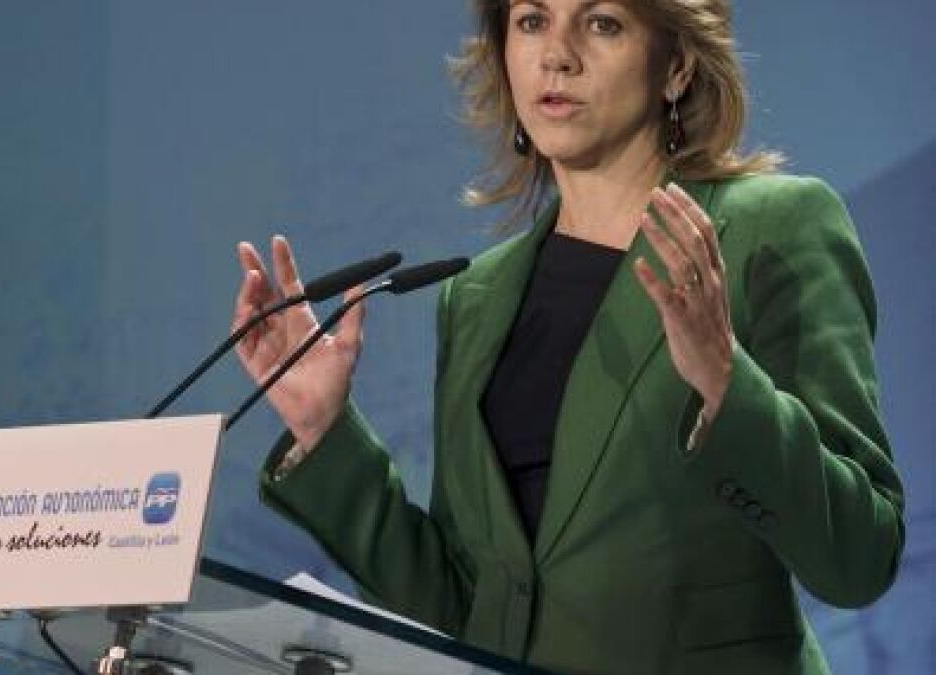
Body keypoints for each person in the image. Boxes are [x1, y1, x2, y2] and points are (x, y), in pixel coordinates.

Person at [230, 1, 905, 673]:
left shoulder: (772, 229)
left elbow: (859, 558)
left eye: (602, 22)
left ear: (675, 65)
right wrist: (325, 431)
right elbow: (463, 611)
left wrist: (728, 386)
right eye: (532, 21)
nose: (557, 54)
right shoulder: (476, 298)